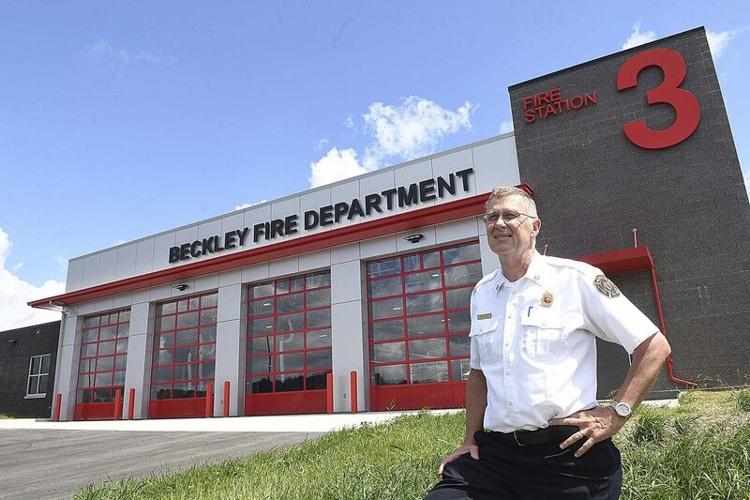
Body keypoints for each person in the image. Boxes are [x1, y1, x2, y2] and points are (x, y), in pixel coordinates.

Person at [424, 186, 672, 500]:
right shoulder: (482, 293)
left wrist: (617, 413)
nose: (499, 224)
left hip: (566, 453)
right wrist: (470, 439)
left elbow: (653, 345)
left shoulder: (576, 279)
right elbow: (478, 374)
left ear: (535, 226)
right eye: (491, 217)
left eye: (510, 215)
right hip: (497, 454)